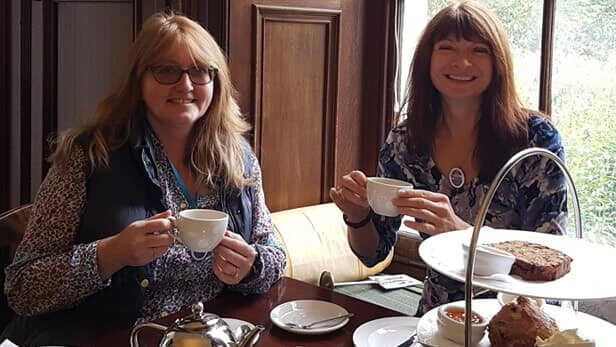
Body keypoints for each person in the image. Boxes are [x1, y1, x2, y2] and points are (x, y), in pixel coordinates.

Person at [2, 12, 286, 345]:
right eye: (166, 70)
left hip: (207, 336)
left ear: (216, 81)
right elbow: (21, 288)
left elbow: (273, 253)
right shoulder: (89, 154)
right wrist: (110, 254)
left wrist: (252, 266)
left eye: (199, 71)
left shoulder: (238, 156)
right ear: (138, 81)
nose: (185, 85)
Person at [329, 0, 566, 316]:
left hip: (518, 318)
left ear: (498, 63)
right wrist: (357, 216)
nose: (462, 62)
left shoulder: (535, 140)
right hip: (438, 319)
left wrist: (461, 232)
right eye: (447, 48)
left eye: (478, 51)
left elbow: (548, 260)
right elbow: (373, 254)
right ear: (427, 59)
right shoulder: (406, 142)